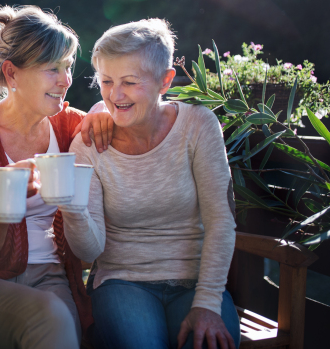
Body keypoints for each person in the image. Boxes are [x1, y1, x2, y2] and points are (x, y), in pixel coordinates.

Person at [0, 5, 113, 349]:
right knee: (51, 317)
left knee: (63, 323)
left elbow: (119, 117)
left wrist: (102, 111)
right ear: (12, 74)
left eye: (68, 67)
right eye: (52, 69)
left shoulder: (71, 126)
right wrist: (3, 202)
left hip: (55, 277)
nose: (65, 80)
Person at [61, 18, 241, 349]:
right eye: (106, 81)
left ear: (165, 80)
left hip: (195, 285)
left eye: (129, 82)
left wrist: (207, 303)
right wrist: (72, 209)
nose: (115, 95)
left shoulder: (198, 126)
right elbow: (91, 249)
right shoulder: (88, 145)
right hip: (120, 283)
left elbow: (221, 222)